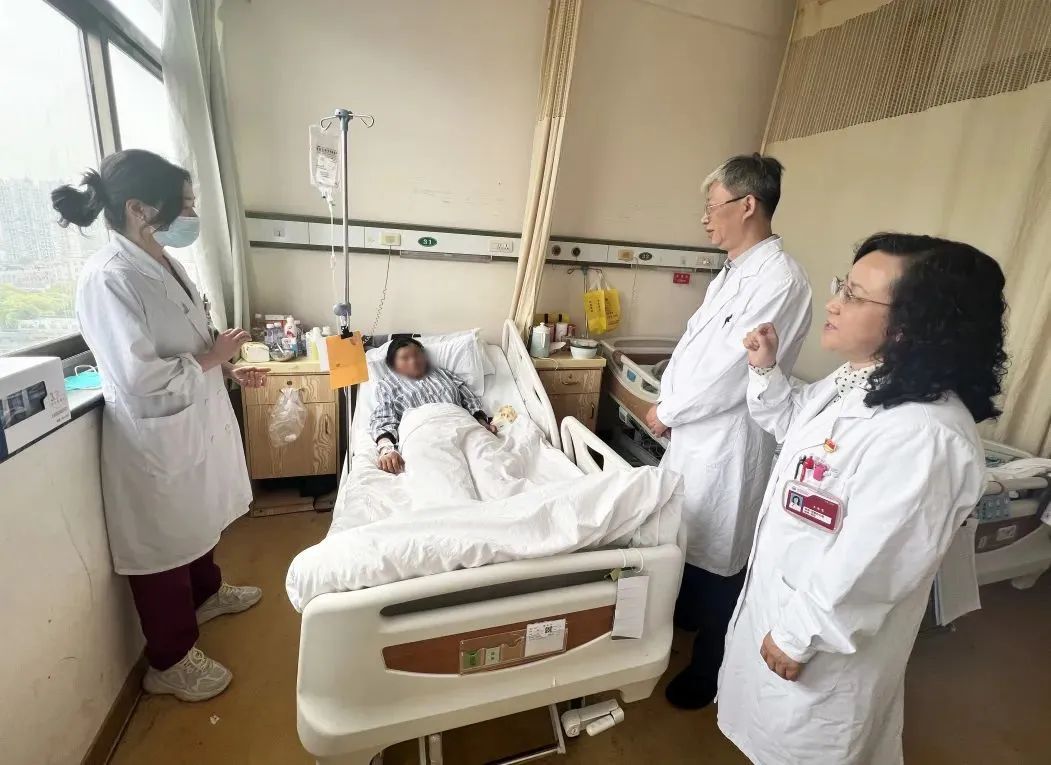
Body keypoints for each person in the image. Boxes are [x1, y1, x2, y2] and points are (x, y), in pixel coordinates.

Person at [718, 233, 1007, 764]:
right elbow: (797, 424)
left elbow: (875, 562)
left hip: (820, 645)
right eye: (841, 287)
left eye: (852, 295)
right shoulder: (861, 380)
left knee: (804, 748)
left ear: (912, 325)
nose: (833, 304)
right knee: (767, 737)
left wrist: (798, 635)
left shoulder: (925, 435)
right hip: (783, 609)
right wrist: (765, 368)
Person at [52, 149, 269, 702]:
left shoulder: (165, 262)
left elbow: (192, 340)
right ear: (139, 209)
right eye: (184, 204)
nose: (191, 215)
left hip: (191, 416)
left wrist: (228, 367)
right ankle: (169, 662)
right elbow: (139, 375)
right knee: (162, 543)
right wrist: (213, 358)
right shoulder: (109, 278)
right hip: (152, 433)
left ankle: (207, 594)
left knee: (198, 514)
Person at [644, 153, 813, 709]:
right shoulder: (734, 272)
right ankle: (687, 621)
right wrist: (669, 402)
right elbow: (696, 348)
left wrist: (669, 411)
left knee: (723, 558)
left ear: (748, 205)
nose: (704, 217)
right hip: (697, 434)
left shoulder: (780, 280)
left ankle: (710, 669)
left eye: (712, 205)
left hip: (730, 442)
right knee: (690, 535)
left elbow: (731, 371)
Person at [370, 337, 495, 474]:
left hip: (462, 424)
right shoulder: (387, 385)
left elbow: (468, 398)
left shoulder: (442, 373)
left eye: (417, 355)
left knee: (492, 463)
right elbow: (384, 417)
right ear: (393, 364)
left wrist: (481, 422)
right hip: (424, 433)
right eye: (405, 358)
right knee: (444, 475)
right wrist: (386, 449)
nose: (413, 361)